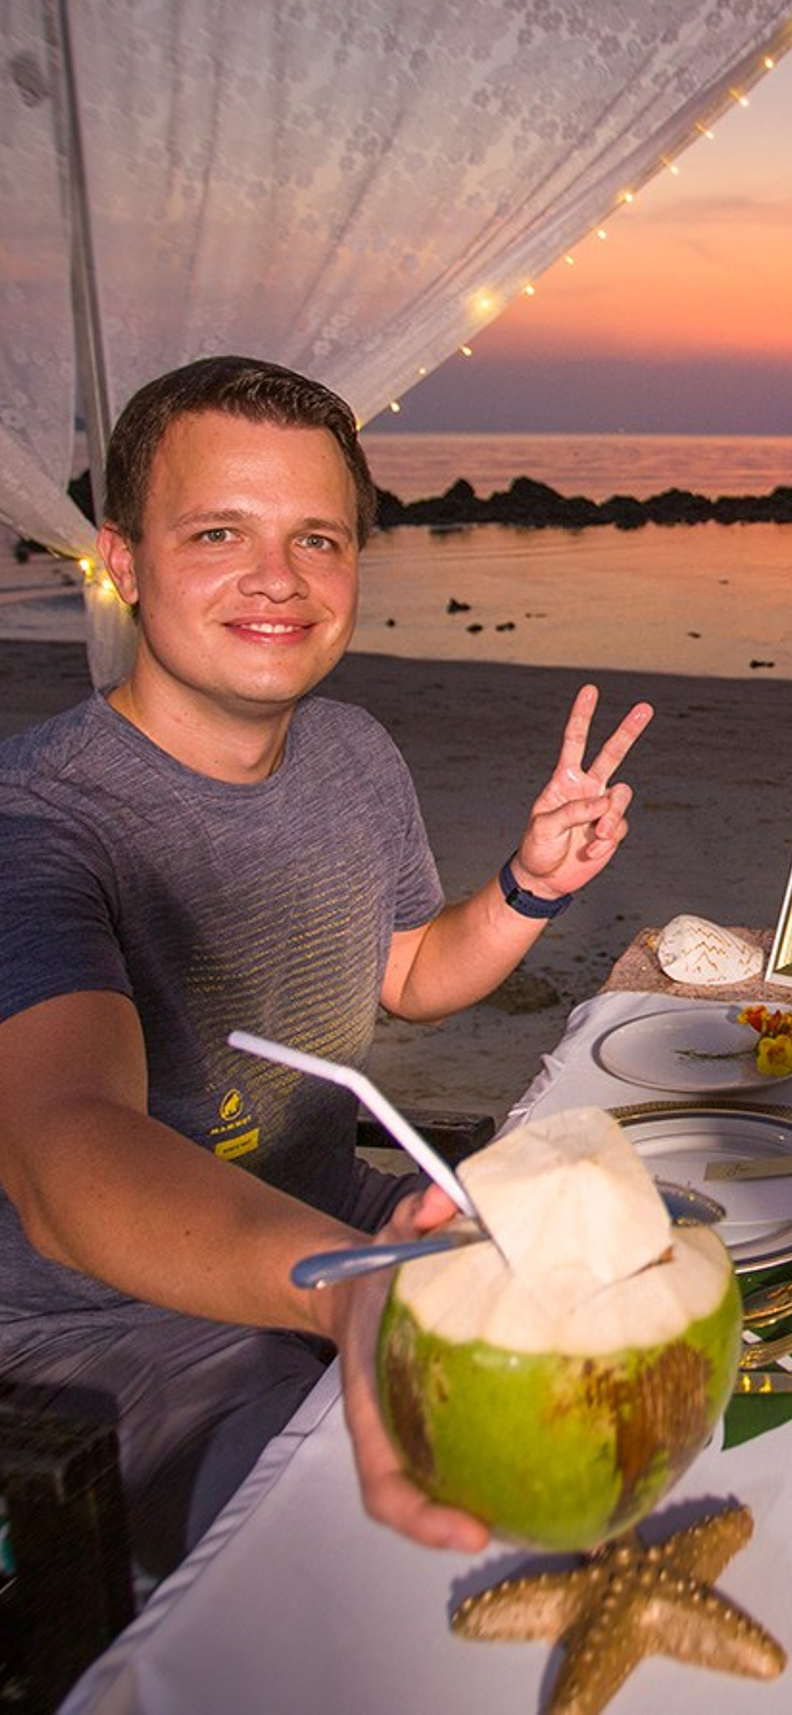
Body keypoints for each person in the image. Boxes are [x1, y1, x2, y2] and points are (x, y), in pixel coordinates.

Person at [0, 355, 652, 1580]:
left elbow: (403, 972)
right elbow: (62, 1150)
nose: (279, 581)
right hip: (101, 1328)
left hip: (326, 1217)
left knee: (623, 1310)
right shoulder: (41, 823)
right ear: (123, 562)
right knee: (377, 1561)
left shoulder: (350, 750)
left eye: (319, 538)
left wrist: (527, 890)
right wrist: (338, 1291)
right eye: (217, 532)